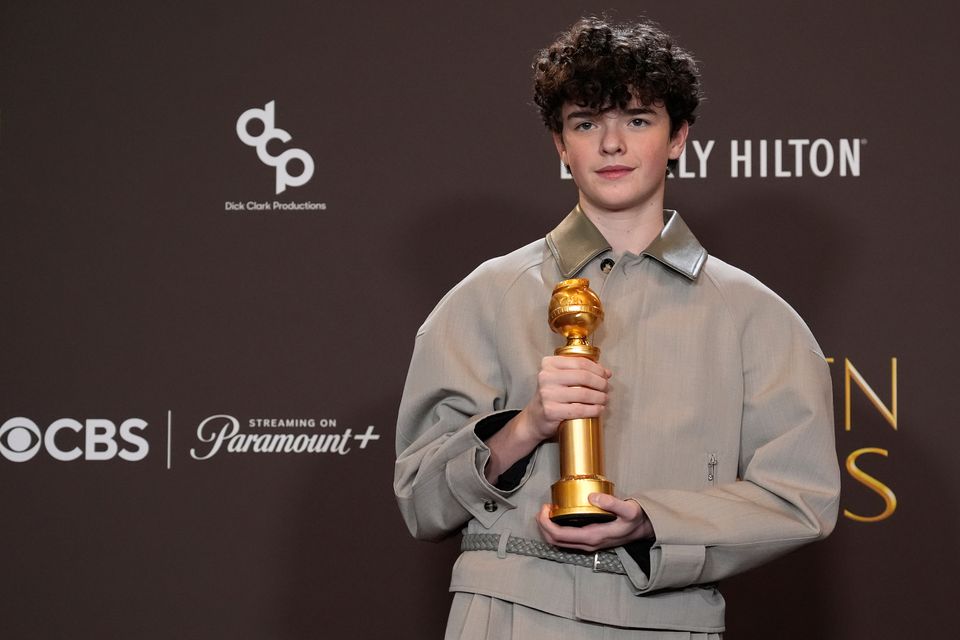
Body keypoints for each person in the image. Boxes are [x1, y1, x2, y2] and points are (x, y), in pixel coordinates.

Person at [394, 16, 840, 639]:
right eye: (585, 123)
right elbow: (420, 501)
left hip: (669, 620)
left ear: (678, 136)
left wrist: (651, 520)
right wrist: (525, 427)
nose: (610, 144)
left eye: (636, 120)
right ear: (561, 144)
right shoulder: (487, 296)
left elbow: (801, 499)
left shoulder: (756, 315)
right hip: (509, 612)